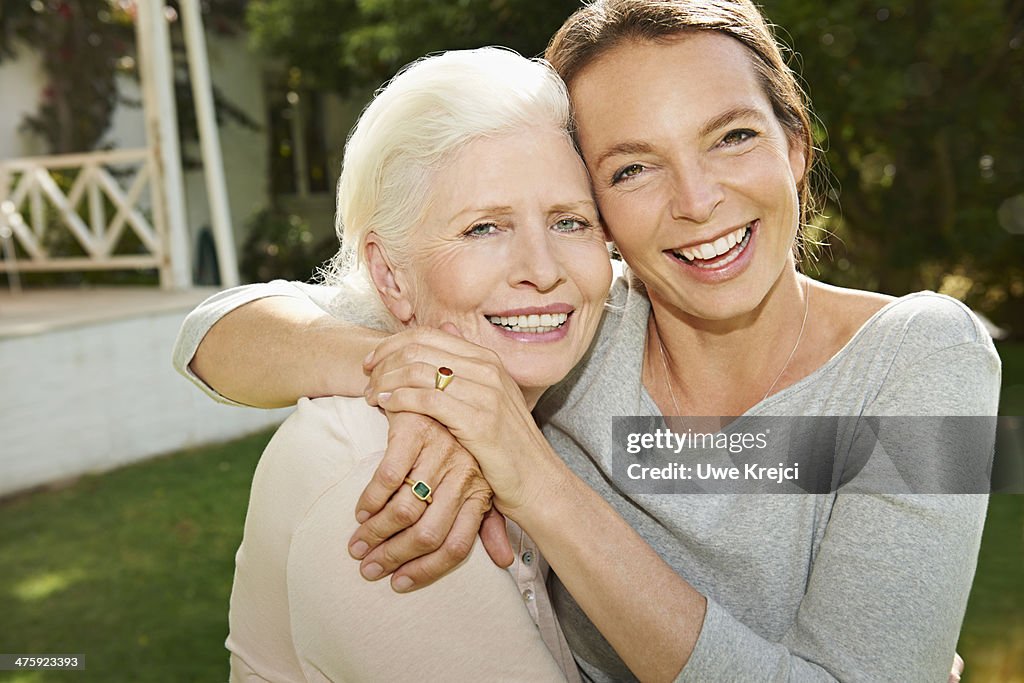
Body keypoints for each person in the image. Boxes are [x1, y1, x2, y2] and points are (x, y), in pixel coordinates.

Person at [174, 1, 999, 680]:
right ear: (599, 210)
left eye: (733, 136)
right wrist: (426, 377)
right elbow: (214, 333)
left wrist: (524, 468)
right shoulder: (580, 327)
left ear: (795, 147)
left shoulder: (926, 356)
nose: (698, 199)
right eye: (633, 168)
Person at [218, 47, 612, 682]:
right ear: (390, 276)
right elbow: (215, 330)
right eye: (484, 228)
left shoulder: (595, 347)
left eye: (570, 222)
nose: (543, 270)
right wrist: (434, 386)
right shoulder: (378, 480)